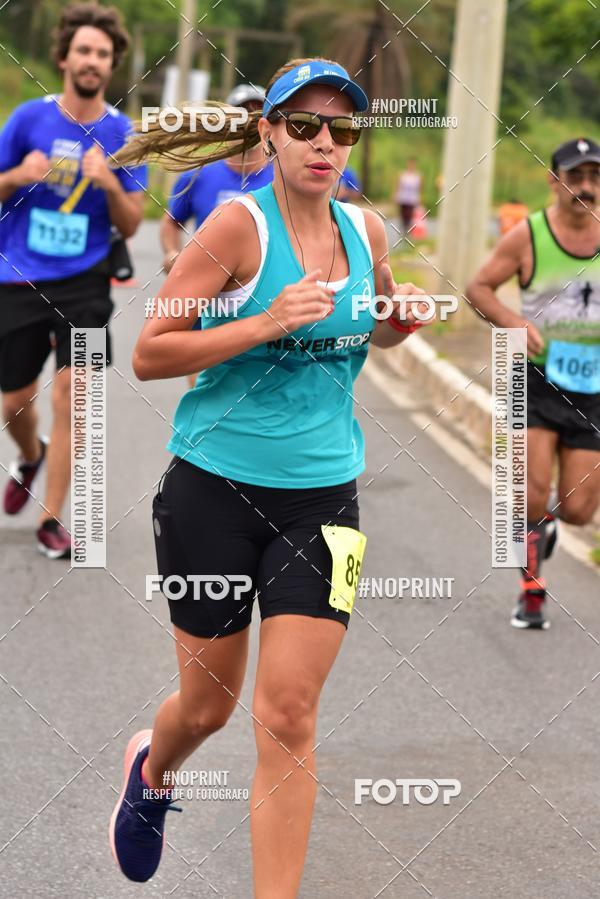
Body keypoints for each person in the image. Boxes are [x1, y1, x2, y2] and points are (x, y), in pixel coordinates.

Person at [108, 56, 434, 893]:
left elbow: (375, 324)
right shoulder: (235, 229)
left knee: (288, 714)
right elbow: (150, 352)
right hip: (212, 491)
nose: (324, 142)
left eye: (342, 127)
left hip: (325, 500)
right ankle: (153, 768)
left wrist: (397, 319)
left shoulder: (366, 232)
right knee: (208, 707)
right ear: (271, 133)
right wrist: (264, 321)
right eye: (304, 125)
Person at [0, 2, 147, 558]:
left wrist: (108, 183)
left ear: (112, 65)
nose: (92, 61)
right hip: (18, 276)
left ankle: (52, 517)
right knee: (13, 400)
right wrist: (18, 175)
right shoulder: (27, 119)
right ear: (64, 58)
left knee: (74, 392)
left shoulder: (123, 133)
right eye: (83, 50)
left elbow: (131, 223)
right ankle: (31, 454)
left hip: (86, 283)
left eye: (102, 54)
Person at [467, 138, 600, 630]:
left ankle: (548, 530)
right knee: (530, 495)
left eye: (595, 176)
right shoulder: (528, 234)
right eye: (575, 176)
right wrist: (512, 321)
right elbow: (478, 288)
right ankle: (532, 593)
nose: (585, 186)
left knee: (579, 510)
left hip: (594, 388)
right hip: (538, 381)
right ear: (554, 180)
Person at [159, 83, 273, 388]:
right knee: (205, 386)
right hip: (207, 296)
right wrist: (172, 254)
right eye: (241, 114)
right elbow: (171, 222)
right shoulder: (200, 174)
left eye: (257, 114)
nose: (248, 121)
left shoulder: (283, 177)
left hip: (264, 298)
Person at [395, 157, 422, 234]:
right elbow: (398, 186)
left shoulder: (417, 176)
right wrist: (396, 196)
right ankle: (403, 230)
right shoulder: (403, 175)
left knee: (410, 216)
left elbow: (419, 188)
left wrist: (420, 198)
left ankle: (408, 231)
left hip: (412, 200)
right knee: (403, 216)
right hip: (403, 199)